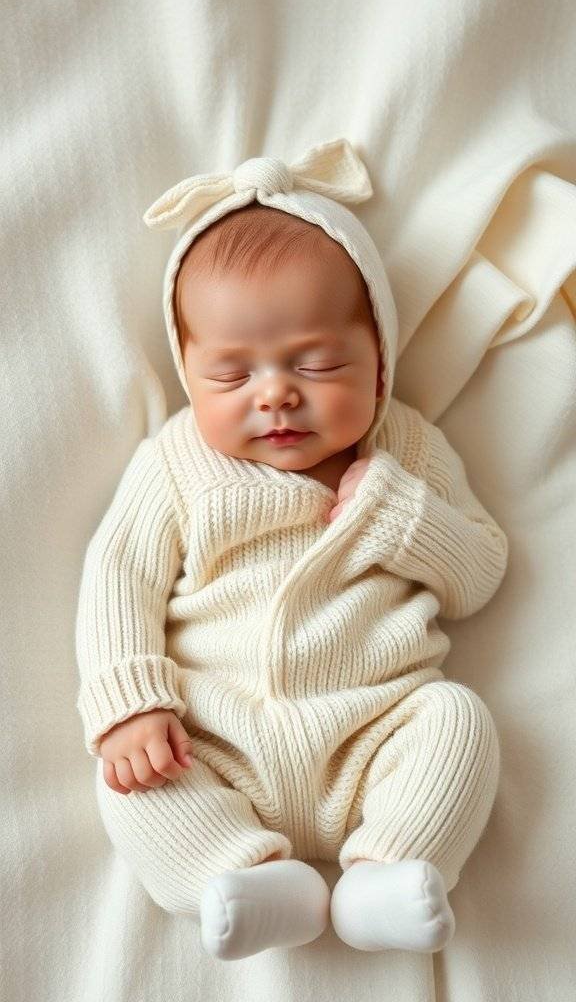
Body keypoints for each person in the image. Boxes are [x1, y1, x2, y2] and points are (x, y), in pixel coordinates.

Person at [75, 138, 508, 961]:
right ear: (188, 373)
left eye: (316, 362)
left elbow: (480, 572)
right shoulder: (177, 463)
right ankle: (236, 875)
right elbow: (120, 574)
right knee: (129, 781)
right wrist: (131, 701)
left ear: (379, 362)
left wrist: (402, 518)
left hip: (375, 727)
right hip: (215, 736)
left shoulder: (406, 451)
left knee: (459, 723)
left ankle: (390, 868)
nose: (276, 393)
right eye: (232, 376)